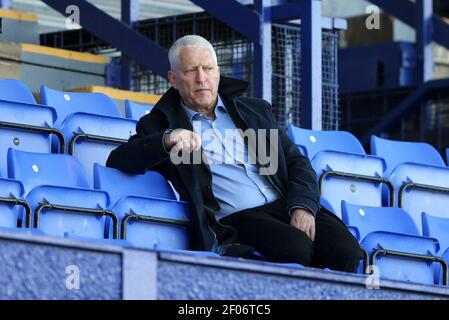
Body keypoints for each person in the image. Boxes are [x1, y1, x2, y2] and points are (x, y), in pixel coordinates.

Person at [107, 35, 362, 272]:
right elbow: (119, 159)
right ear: (173, 79)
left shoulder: (255, 111)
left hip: (284, 205)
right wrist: (166, 140)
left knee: (346, 250)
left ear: (218, 73)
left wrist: (303, 207)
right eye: (190, 71)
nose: (201, 78)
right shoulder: (160, 124)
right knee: (295, 246)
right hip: (236, 219)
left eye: (208, 69)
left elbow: (298, 162)